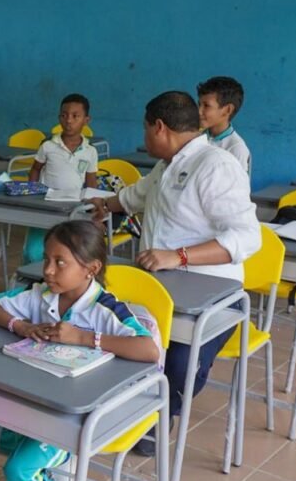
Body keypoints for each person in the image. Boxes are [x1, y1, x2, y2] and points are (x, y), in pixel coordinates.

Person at [89, 91, 261, 455]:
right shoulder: (165, 165)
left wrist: (178, 257)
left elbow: (247, 237)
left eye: (146, 129)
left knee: (178, 365)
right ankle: (132, 406)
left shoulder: (216, 166)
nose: (145, 137)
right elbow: (136, 195)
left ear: (160, 127)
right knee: (118, 336)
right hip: (161, 286)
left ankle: (161, 411)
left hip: (211, 295)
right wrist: (105, 204)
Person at [0, 220, 159, 481]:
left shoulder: (106, 310)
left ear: (91, 269)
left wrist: (85, 338)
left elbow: (149, 349)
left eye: (60, 262)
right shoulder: (40, 296)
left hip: (79, 415)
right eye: (47, 259)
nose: (48, 270)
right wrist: (19, 326)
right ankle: (56, 461)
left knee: (19, 470)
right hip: (38, 400)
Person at [23, 94, 99, 265]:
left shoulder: (90, 151)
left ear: (86, 120)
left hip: (73, 207)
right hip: (46, 205)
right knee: (33, 251)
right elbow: (35, 169)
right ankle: (30, 280)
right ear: (59, 118)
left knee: (68, 250)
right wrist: (32, 193)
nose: (69, 121)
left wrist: (92, 208)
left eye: (75, 116)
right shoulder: (48, 146)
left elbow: (91, 181)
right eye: (64, 115)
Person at [197, 76, 251, 175]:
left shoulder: (236, 148)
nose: (199, 111)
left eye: (206, 106)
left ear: (228, 110)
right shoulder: (196, 137)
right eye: (199, 104)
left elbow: (237, 188)